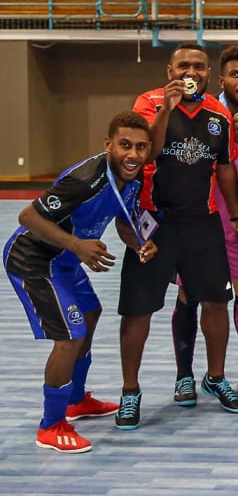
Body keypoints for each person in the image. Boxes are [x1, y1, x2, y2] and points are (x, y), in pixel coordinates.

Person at [117, 43, 238, 429]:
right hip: (154, 222)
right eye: (182, 66)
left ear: (209, 73)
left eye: (197, 66)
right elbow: (148, 153)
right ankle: (130, 391)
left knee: (214, 302)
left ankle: (216, 377)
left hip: (202, 222)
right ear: (169, 70)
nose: (189, 71)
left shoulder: (219, 113)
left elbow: (224, 167)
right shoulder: (148, 102)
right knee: (137, 310)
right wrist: (167, 110)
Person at [4, 111, 157, 453]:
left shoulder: (132, 179)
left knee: (89, 314)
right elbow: (27, 216)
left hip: (66, 261)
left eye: (141, 148)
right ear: (108, 145)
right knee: (70, 334)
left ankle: (75, 401)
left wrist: (139, 242)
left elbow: (122, 220)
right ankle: (50, 425)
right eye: (125, 145)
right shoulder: (85, 179)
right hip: (34, 260)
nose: (133, 154)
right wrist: (77, 245)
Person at [170, 45, 238, 406]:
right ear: (220, 79)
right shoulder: (199, 111)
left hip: (233, 224)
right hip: (196, 223)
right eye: (235, 74)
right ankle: (184, 376)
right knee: (190, 296)